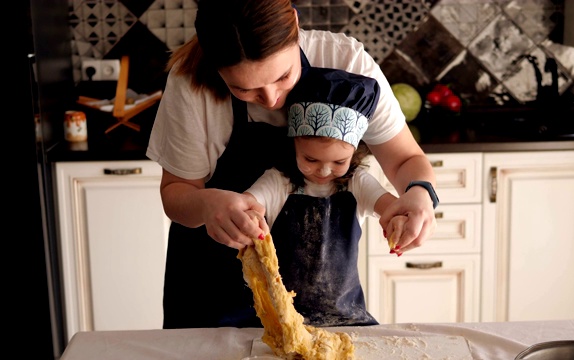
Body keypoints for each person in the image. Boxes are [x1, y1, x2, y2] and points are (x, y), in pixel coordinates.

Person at [146, 0, 438, 329]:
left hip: (322, 300)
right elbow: (176, 193)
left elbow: (405, 160)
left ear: (295, 27)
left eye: (283, 76)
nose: (272, 99)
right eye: (244, 88)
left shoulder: (346, 61)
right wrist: (206, 203)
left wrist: (419, 194)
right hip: (212, 294)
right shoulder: (190, 83)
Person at [243, 66, 408, 327]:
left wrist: (399, 218)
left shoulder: (357, 183)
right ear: (294, 144)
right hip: (284, 319)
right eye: (310, 159)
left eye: (339, 161)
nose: (324, 170)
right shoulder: (278, 182)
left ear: (354, 153)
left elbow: (391, 207)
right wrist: (249, 217)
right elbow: (248, 205)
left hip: (349, 318)